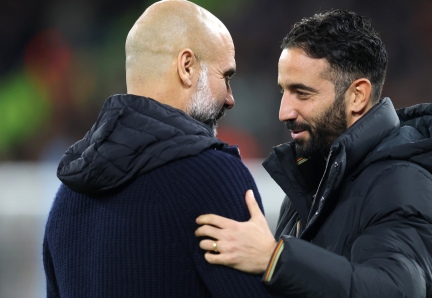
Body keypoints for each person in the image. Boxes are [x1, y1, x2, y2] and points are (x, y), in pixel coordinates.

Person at [195, 9, 432, 298]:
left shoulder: (403, 180)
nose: (283, 112)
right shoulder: (314, 174)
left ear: (357, 96)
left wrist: (274, 259)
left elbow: (396, 290)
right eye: (283, 92)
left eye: (302, 93)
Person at [43, 1, 278, 297]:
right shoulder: (214, 176)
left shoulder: (67, 199)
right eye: (226, 77)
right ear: (187, 66)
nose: (230, 98)